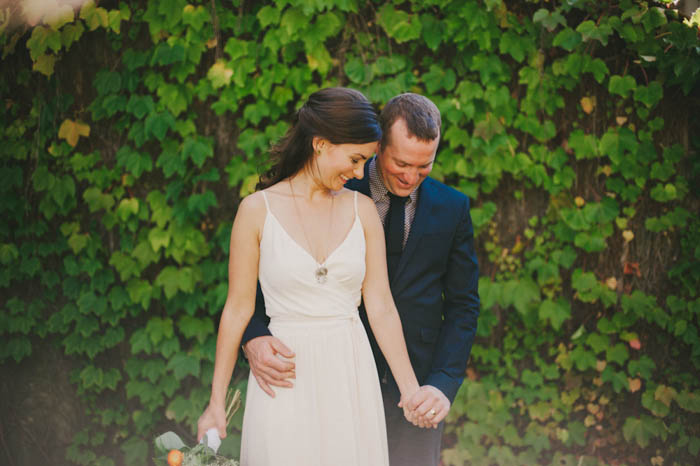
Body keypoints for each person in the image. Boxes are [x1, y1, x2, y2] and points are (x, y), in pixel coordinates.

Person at [242, 93, 480, 466]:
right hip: (330, 378)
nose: (410, 176)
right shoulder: (331, 186)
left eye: (424, 167)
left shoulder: (453, 208)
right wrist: (254, 336)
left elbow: (464, 306)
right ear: (378, 146)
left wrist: (441, 384)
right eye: (402, 162)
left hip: (414, 387)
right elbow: (264, 281)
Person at [197, 87, 426, 466]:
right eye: (355, 159)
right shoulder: (256, 211)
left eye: (364, 161)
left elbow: (381, 306)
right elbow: (238, 309)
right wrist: (216, 403)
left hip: (350, 372)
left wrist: (410, 389)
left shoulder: (364, 210)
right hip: (284, 379)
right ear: (320, 144)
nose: (358, 173)